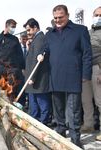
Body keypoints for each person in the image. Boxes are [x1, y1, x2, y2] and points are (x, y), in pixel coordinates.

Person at [38, 5, 92, 147]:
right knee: (58, 110)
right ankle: (60, 135)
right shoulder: (50, 34)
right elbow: (45, 49)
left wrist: (86, 74)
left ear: (67, 15)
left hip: (74, 75)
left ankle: (75, 139)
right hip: (55, 77)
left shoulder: (80, 30)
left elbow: (87, 54)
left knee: (74, 110)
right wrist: (40, 54)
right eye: (55, 18)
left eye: (60, 17)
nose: (58, 20)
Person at [0, 19, 25, 103]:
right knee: (2, 92)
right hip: (0, 70)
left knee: (13, 92)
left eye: (15, 27)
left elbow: (20, 54)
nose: (14, 29)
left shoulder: (15, 39)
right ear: (6, 26)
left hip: (13, 71)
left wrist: (23, 67)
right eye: (12, 27)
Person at [23, 18, 51, 125]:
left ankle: (43, 122)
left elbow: (37, 60)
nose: (28, 32)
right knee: (34, 103)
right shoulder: (36, 39)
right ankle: (35, 122)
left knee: (41, 102)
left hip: (38, 79)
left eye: (29, 30)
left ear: (35, 28)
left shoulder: (40, 39)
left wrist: (32, 77)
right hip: (33, 78)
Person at [81, 6, 101, 141]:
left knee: (100, 100)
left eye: (100, 15)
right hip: (85, 70)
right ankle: (88, 125)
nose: (98, 17)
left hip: (98, 69)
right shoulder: (88, 31)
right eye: (96, 15)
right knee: (86, 99)